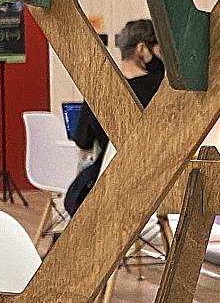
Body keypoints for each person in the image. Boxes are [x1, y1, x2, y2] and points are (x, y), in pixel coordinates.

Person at [61, 19, 165, 220]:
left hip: (109, 183)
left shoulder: (100, 88)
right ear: (142, 49)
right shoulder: (162, 88)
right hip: (155, 180)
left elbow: (83, 140)